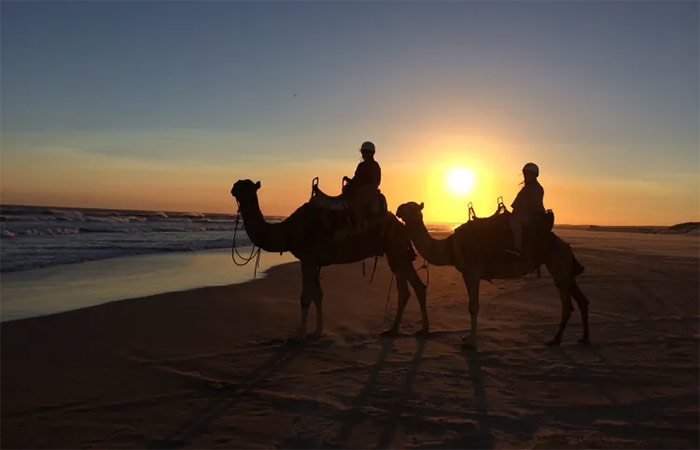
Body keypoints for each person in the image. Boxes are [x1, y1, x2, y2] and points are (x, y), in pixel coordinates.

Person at [343, 141, 381, 233]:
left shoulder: (375, 166)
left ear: (371, 153)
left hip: (369, 193)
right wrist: (349, 181)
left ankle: (360, 228)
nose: (363, 154)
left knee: (357, 205)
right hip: (359, 191)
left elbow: (376, 182)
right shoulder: (361, 165)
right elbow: (356, 179)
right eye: (363, 152)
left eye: (365, 152)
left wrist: (364, 188)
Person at [509, 162, 545, 256]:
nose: (525, 176)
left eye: (528, 174)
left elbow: (534, 205)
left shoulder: (537, 188)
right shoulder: (527, 187)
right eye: (525, 174)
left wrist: (520, 209)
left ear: (534, 175)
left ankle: (518, 249)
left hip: (533, 217)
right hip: (524, 214)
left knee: (515, 222)